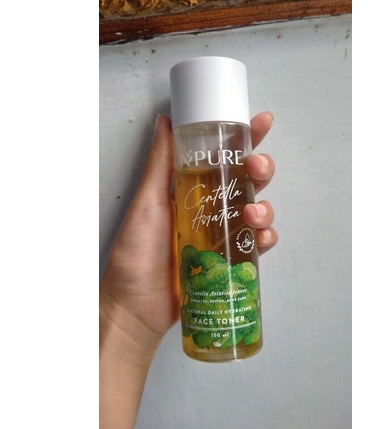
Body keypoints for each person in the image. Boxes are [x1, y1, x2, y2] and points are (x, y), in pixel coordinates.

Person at [100, 111, 278, 428]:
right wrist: (128, 314)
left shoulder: (235, 135)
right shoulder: (186, 136)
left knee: (248, 216)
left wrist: (129, 323)